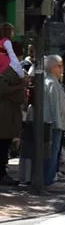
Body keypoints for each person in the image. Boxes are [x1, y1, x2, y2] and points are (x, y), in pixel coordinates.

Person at [0, 43, 26, 186]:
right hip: (4, 114)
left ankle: (3, 173)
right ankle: (2, 174)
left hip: (9, 114)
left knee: (5, 145)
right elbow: (2, 89)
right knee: (3, 146)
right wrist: (21, 86)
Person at [42, 55, 65, 188]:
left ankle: (49, 178)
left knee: (53, 153)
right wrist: (59, 124)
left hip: (55, 124)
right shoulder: (51, 83)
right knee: (51, 154)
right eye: (59, 65)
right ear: (52, 67)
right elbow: (54, 107)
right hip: (53, 124)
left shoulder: (53, 82)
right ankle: (48, 180)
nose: (62, 68)